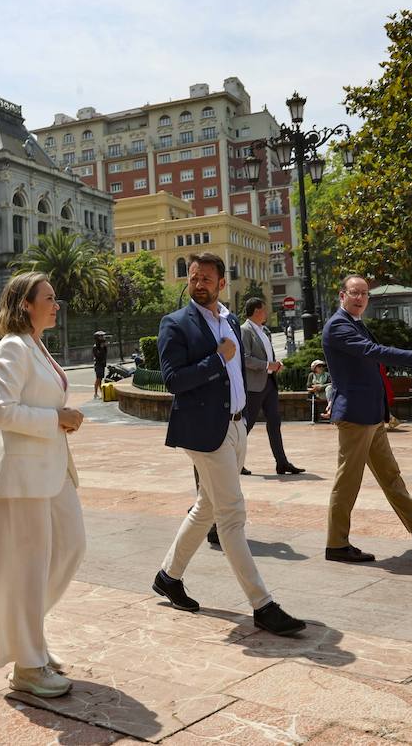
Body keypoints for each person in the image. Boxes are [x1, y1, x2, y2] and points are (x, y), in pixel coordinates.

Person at [149, 252, 307, 637]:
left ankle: (169, 576)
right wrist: (217, 360)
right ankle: (262, 604)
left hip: (236, 427)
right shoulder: (175, 324)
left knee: (207, 506)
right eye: (193, 277)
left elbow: (238, 373)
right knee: (232, 516)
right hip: (205, 433)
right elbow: (173, 381)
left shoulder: (230, 319)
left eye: (206, 278)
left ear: (222, 283)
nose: (199, 283)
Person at [0, 272, 86, 698]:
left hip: (52, 469)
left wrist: (57, 421)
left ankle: (28, 635)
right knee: (27, 564)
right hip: (22, 474)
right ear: (25, 304)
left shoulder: (38, 346)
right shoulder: (13, 347)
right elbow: (2, 411)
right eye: (48, 298)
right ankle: (27, 664)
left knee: (72, 546)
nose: (55, 304)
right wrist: (56, 419)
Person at [322, 275, 412, 563]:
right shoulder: (338, 326)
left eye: (364, 294)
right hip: (356, 417)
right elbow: (373, 352)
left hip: (371, 414)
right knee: (347, 481)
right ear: (341, 295)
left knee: (390, 475)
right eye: (354, 293)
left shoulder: (355, 323)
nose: (360, 298)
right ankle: (336, 544)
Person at [241, 297, 303, 475]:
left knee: (275, 423)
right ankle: (234, 462)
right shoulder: (245, 330)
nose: (267, 313)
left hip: (269, 383)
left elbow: (266, 356)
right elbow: (244, 359)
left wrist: (274, 364)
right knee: (246, 426)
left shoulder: (264, 330)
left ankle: (282, 463)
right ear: (256, 311)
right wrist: (268, 365)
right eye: (264, 310)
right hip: (254, 386)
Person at [91, 333, 108, 398]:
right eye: (101, 337)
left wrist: (104, 347)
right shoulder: (95, 347)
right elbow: (98, 356)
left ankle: (101, 392)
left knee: (100, 379)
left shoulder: (103, 346)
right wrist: (101, 348)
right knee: (98, 378)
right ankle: (95, 393)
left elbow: (105, 354)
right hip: (98, 364)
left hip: (102, 364)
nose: (102, 338)